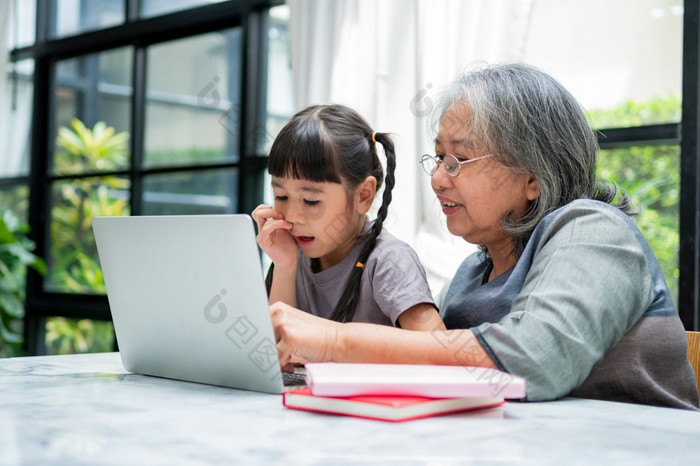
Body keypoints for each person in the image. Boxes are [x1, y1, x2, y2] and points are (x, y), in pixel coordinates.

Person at [269, 63, 700, 410]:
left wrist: (332, 339)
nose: (437, 179)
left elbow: (534, 360)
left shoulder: (595, 230)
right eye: (438, 158)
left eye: (458, 159)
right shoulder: (473, 272)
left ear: (532, 175)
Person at [252, 104, 444, 332]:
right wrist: (284, 266)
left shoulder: (388, 261)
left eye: (311, 201)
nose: (292, 215)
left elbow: (437, 347)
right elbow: (277, 357)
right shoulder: (294, 254)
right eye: (281, 196)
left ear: (363, 196)